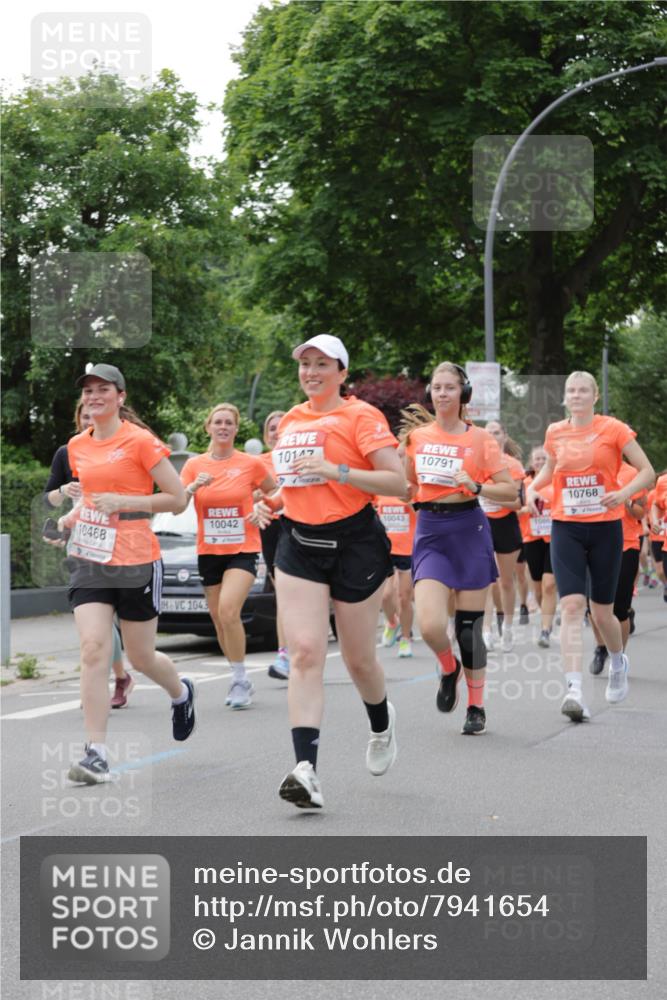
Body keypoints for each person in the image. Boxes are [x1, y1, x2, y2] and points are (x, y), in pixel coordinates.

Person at [251, 334, 405, 809]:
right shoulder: (292, 420)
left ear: (342, 372)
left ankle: (381, 724)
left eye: (322, 364)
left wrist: (338, 471)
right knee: (304, 652)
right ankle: (306, 770)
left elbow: (397, 482)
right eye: (305, 364)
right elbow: (296, 483)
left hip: (355, 543)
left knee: (359, 660)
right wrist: (271, 503)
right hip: (299, 543)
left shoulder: (362, 417)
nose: (311, 372)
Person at [61, 364, 195, 784]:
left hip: (137, 559)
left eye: (103, 389)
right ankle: (96, 754)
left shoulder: (140, 441)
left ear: (120, 397)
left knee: (140, 656)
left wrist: (124, 501)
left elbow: (177, 499)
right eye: (88, 391)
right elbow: (90, 497)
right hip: (91, 560)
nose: (94, 396)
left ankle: (181, 693)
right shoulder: (76, 446)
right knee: (93, 649)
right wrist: (72, 516)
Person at [527, 371, 654, 722]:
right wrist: (533, 488)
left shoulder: (613, 429)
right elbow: (549, 471)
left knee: (602, 614)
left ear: (595, 396)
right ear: (565, 396)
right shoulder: (555, 431)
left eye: (583, 390)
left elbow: (646, 471)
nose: (576, 395)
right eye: (571, 390)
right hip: (566, 526)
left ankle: (617, 660)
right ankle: (574, 691)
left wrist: (624, 493)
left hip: (605, 528)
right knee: (571, 606)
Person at [402, 363, 517, 735]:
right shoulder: (416, 438)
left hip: (469, 529)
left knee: (469, 630)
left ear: (463, 393)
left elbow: (510, 492)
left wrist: (477, 486)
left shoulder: (481, 439)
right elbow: (408, 485)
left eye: (450, 387)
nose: (442, 394)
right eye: (437, 387)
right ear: (429, 393)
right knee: (430, 624)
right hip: (430, 532)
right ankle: (448, 668)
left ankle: (476, 705)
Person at [181, 404, 276, 709]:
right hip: (209, 551)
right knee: (219, 619)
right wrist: (192, 487)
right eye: (218, 422)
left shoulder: (250, 464)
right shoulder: (194, 465)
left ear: (236, 429)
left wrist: (262, 506)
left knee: (228, 610)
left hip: (243, 549)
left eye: (229, 423)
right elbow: (177, 504)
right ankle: (239, 675)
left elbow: (277, 493)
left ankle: (239, 679)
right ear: (208, 427)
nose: (223, 427)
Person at [45, 397, 133, 708]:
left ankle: (117, 676)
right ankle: (109, 679)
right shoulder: (67, 452)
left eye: (93, 414)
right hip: (81, 541)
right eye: (84, 416)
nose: (89, 420)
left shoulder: (120, 449)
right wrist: (62, 492)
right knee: (94, 618)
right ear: (78, 419)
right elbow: (48, 499)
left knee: (106, 617)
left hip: (119, 539)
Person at [588, 460, 647, 672]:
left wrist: (626, 500)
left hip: (626, 544)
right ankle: (601, 647)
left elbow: (640, 512)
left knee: (620, 608)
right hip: (593, 543)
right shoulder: (588, 466)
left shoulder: (632, 472)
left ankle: (618, 659)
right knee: (591, 607)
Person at [481, 421, 525, 652]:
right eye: (487, 432)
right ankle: (486, 631)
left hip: (505, 524)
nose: (492, 436)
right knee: (486, 580)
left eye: (496, 432)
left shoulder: (512, 464)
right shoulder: (475, 461)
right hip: (482, 524)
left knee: (506, 581)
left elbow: (517, 503)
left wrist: (489, 496)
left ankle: (507, 628)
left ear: (504, 436)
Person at [257, 410, 290, 680]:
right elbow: (250, 493)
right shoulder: (258, 463)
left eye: (281, 427)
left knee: (289, 592)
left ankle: (288, 654)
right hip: (270, 528)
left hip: (296, 524)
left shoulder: (295, 458)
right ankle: (286, 654)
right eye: (271, 428)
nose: (276, 432)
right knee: (283, 593)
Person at [519, 446, 557, 648]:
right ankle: (546, 615)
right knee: (539, 588)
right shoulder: (525, 483)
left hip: (554, 539)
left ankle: (545, 630)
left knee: (549, 585)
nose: (541, 462)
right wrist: (528, 508)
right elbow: (514, 510)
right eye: (537, 459)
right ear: (532, 462)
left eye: (544, 458)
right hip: (532, 538)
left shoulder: (557, 480)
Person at [375, 486, 416, 658]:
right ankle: (392, 622)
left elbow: (421, 514)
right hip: (385, 549)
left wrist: (410, 499)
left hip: (407, 549)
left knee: (404, 597)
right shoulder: (380, 486)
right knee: (385, 596)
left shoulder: (411, 487)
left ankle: (405, 638)